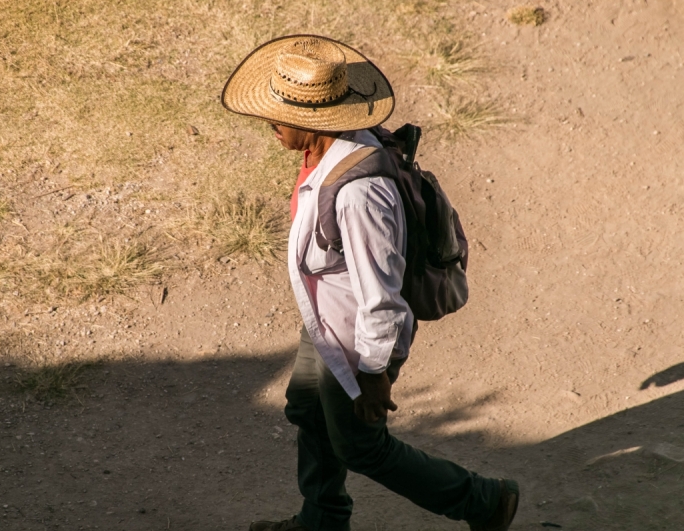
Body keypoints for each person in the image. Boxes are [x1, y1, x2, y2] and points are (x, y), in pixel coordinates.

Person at [221, 35, 519, 531]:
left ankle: (484, 501)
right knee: (309, 413)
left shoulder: (360, 194)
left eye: (278, 116)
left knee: (362, 446)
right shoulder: (330, 155)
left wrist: (375, 371)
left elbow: (382, 293)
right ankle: (322, 522)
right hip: (327, 328)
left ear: (314, 121)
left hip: (361, 344)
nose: (269, 125)